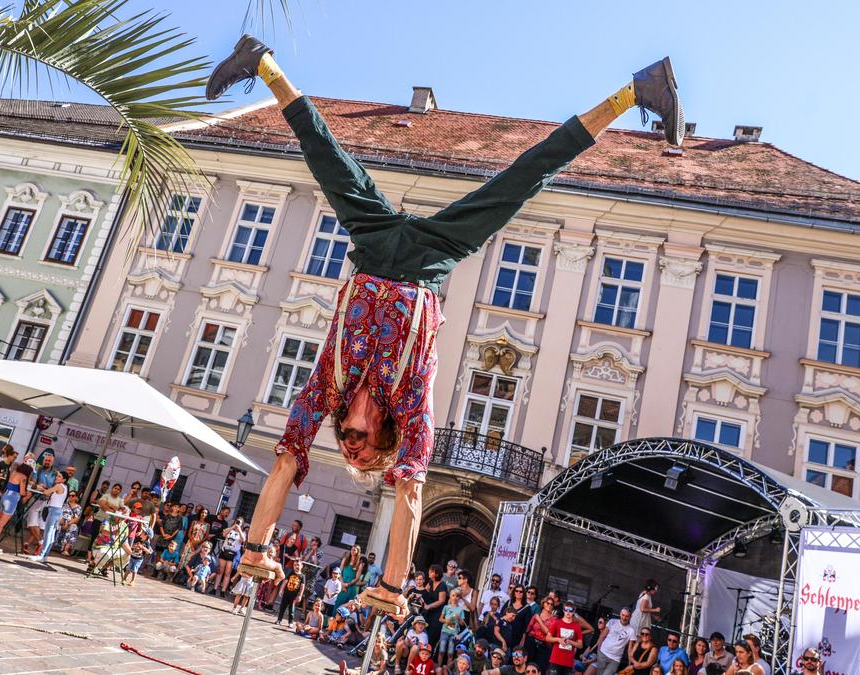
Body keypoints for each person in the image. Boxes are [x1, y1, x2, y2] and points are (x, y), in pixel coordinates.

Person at [217, 35, 684, 615]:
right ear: (384, 438)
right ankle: (638, 90)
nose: (352, 444)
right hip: (428, 261)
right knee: (527, 176)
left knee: (323, 152)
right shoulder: (410, 407)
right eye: (362, 451)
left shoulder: (326, 392)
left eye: (348, 447)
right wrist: (391, 587)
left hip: (374, 246)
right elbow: (410, 490)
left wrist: (256, 547)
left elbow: (287, 457)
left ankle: (260, 61)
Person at [0, 455, 30, 552]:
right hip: (12, 500)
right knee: (1, 524)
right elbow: (22, 492)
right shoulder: (23, 477)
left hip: (5, 496)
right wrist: (28, 493)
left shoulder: (13, 473)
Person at [30, 470, 68, 562]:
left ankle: (41, 555)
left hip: (54, 511)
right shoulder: (65, 487)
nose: (56, 477)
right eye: (57, 476)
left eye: (59, 476)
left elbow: (47, 492)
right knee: (51, 535)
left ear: (64, 479)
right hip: (57, 511)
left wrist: (41, 488)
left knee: (48, 534)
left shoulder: (59, 486)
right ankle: (45, 556)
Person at [586, 607, 636, 675]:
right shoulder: (612, 621)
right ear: (620, 614)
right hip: (603, 653)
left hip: (615, 659)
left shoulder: (631, 630)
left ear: (630, 617)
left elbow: (630, 649)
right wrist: (599, 651)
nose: (624, 618)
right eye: (623, 615)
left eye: (627, 616)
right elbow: (602, 636)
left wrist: (630, 664)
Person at [545, 601, 588, 675]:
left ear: (574, 611)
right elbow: (547, 638)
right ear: (563, 610)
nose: (568, 612)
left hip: (568, 662)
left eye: (571, 610)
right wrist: (558, 639)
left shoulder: (577, 627)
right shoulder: (557, 623)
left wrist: (570, 642)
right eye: (566, 610)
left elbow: (580, 645)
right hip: (555, 659)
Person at [525, 596, 557, 671]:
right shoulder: (536, 615)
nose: (549, 605)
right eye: (548, 603)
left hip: (543, 645)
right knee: (527, 665)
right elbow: (528, 629)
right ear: (543, 604)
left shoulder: (554, 619)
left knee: (540, 667)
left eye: (551, 604)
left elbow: (548, 632)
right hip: (531, 641)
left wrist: (539, 620)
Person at [216, 516, 245, 595]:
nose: (237, 523)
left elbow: (243, 540)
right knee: (220, 571)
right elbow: (224, 534)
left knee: (227, 573)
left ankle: (223, 590)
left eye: (239, 522)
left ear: (242, 524)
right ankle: (215, 588)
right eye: (237, 521)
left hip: (232, 554)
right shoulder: (230, 529)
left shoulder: (242, 533)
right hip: (224, 551)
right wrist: (233, 527)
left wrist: (239, 529)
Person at [58, 492, 83, 557]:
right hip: (61, 521)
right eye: (69, 495)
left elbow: (76, 519)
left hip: (69, 522)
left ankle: (65, 549)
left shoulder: (78, 507)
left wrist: (68, 524)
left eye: (72, 495)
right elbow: (59, 514)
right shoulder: (63, 504)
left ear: (76, 497)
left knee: (74, 527)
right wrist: (62, 522)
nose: (70, 497)